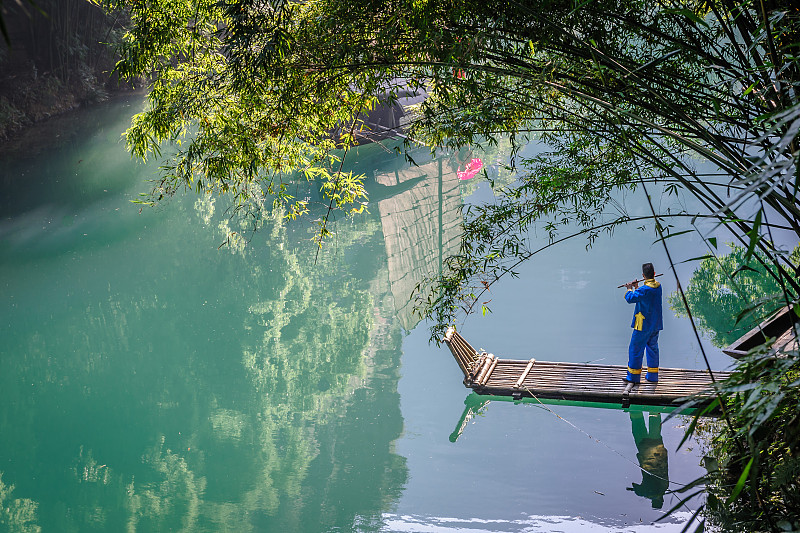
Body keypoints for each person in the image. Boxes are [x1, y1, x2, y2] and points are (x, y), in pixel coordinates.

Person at [623, 263, 663, 383]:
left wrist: (629, 288)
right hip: (655, 324)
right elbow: (644, 297)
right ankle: (652, 376)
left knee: (635, 348)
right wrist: (637, 287)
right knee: (652, 348)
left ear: (643, 275)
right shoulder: (657, 286)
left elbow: (631, 299)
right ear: (654, 274)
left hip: (643, 324)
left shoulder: (644, 289)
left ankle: (633, 377)